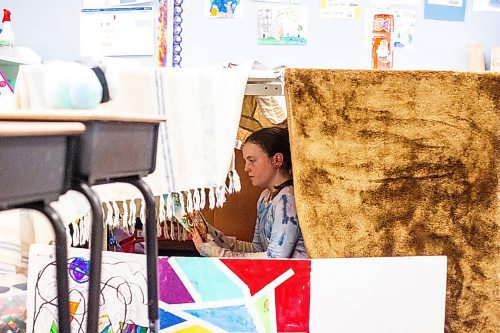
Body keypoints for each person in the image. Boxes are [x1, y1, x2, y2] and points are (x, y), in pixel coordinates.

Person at [191, 126, 307, 258]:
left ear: (277, 160)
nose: (246, 168)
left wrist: (216, 252)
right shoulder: (264, 197)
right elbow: (257, 248)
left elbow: (275, 259)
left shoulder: (288, 200)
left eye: (252, 161)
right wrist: (213, 234)